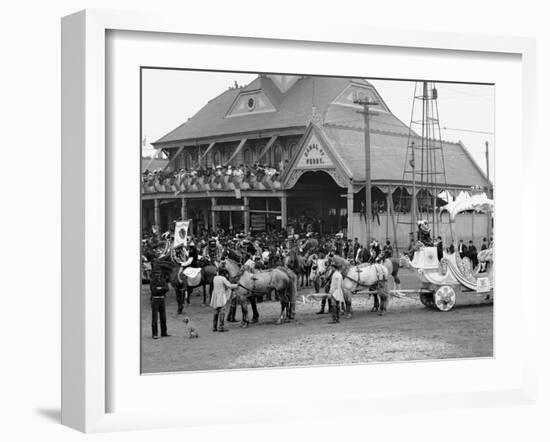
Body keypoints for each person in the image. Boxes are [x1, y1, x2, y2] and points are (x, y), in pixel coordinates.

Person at [149, 267, 170, 339]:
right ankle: (154, 333)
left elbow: (167, 289)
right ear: (154, 274)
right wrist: (162, 289)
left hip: (162, 299)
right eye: (156, 273)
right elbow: (154, 291)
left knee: (163, 317)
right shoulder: (152, 282)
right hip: (155, 300)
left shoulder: (163, 280)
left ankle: (164, 332)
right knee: (155, 317)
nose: (158, 275)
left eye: (159, 273)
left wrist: (160, 288)